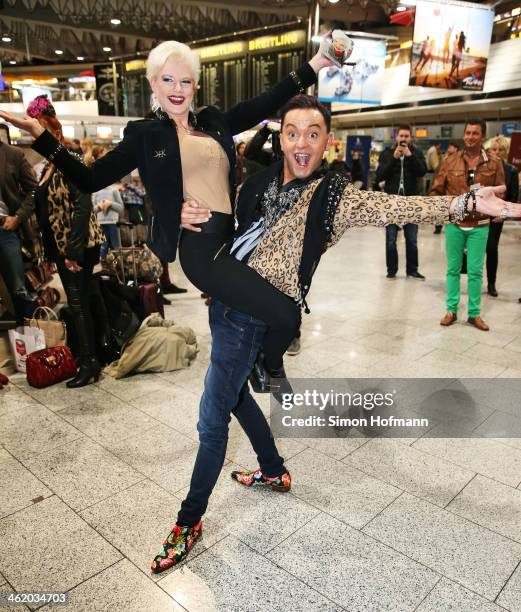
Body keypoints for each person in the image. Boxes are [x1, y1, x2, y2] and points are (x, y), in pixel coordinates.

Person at [159, 94, 519, 573]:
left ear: (328, 141)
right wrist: (186, 216)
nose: (302, 143)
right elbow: (226, 226)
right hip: (223, 303)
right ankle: (273, 470)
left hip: (253, 319)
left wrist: (466, 202)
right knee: (235, 393)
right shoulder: (258, 181)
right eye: (293, 132)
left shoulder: (335, 197)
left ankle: (189, 519)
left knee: (211, 418)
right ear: (281, 137)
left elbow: (396, 206)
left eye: (314, 133)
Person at [0, 39, 335, 392]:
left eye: (185, 81)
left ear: (196, 85)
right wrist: (43, 139)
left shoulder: (213, 120)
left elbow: (268, 99)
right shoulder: (146, 135)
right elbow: (90, 177)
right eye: (168, 80)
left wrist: (316, 63)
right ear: (153, 84)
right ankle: (267, 365)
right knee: (285, 314)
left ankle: (255, 367)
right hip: (201, 251)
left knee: (280, 312)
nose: (177, 90)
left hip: (231, 241)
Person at [27, 95, 104, 386]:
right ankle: (89, 356)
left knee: (78, 303)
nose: (37, 138)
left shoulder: (69, 161)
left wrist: (72, 251)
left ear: (55, 132)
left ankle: (89, 363)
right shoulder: (47, 167)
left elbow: (83, 207)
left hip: (77, 246)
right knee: (80, 302)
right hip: (63, 247)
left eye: (41, 132)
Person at [430, 119, 505, 331]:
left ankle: (474, 314)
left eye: (475, 133)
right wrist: (435, 206)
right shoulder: (451, 160)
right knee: (452, 269)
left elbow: (501, 190)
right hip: (454, 223)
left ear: (482, 136)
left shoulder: (494, 162)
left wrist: (497, 211)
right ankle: (451, 310)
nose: (470, 137)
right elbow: (437, 187)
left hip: (480, 224)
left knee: (475, 271)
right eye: (467, 133)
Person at [376, 124, 427, 280]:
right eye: (401, 136)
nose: (403, 139)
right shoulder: (387, 153)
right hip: (392, 202)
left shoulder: (417, 153)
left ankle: (412, 270)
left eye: (406, 136)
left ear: (410, 138)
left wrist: (410, 156)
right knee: (391, 239)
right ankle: (391, 270)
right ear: (396, 137)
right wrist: (394, 159)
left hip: (411, 202)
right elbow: (380, 175)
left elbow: (422, 171)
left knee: (411, 238)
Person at [0, 131, 37, 324]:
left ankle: (29, 339)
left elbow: (34, 190)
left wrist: (18, 217)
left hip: (6, 229)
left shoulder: (13, 154)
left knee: (18, 288)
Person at [486, 135, 519, 296]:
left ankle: (491, 283)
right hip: (480, 214)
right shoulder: (484, 167)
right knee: (476, 250)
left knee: (491, 248)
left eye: (501, 149)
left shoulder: (511, 171)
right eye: (495, 149)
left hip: (497, 217)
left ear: (505, 151)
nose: (498, 152)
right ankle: (475, 280)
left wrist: (504, 215)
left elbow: (512, 198)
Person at [86, 145, 124, 264]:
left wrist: (110, 204)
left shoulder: (113, 190)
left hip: (112, 223)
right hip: (100, 224)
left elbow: (121, 208)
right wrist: (99, 207)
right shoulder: (95, 191)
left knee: (116, 247)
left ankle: (118, 269)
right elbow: (91, 210)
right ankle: (104, 271)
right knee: (103, 247)